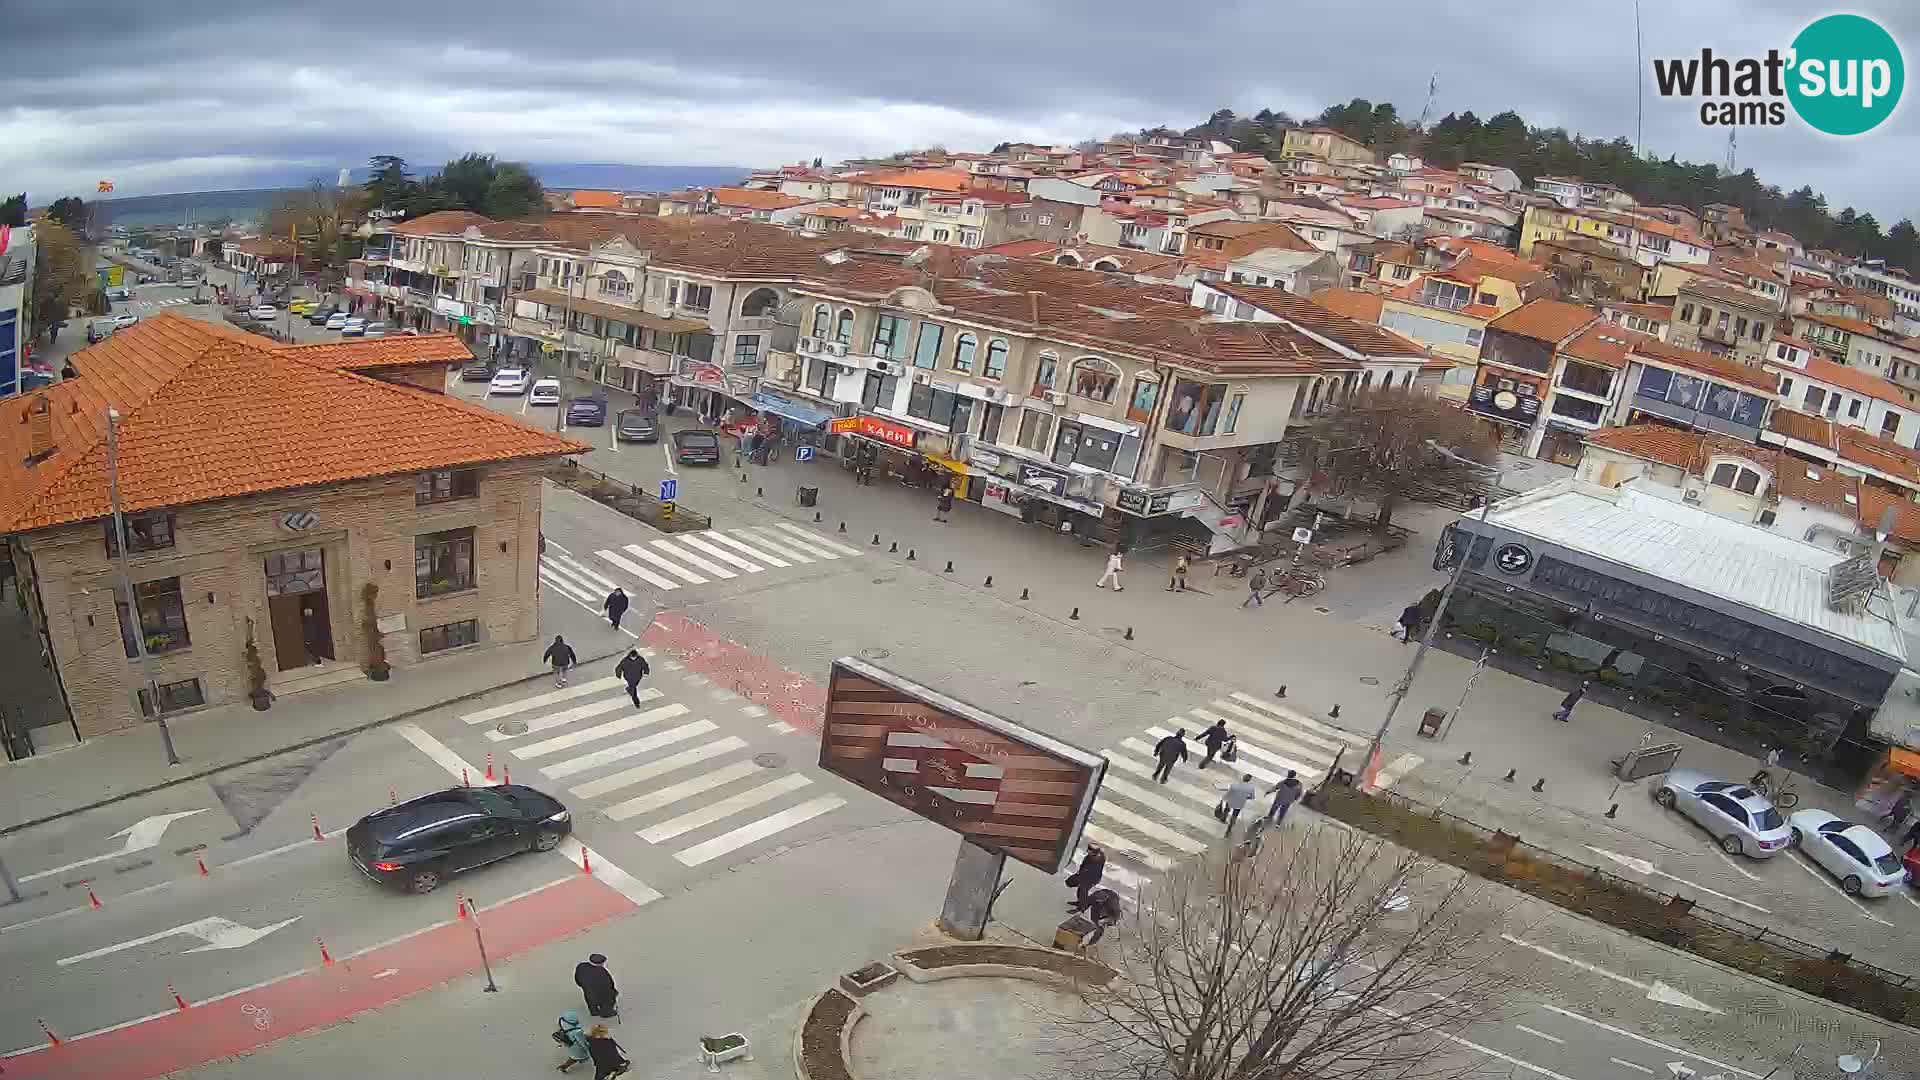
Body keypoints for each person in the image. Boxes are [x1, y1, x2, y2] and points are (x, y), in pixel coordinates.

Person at [574, 953, 618, 1019]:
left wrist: (583, 986)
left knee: (590, 1000)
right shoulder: (603, 973)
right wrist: (614, 993)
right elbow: (609, 986)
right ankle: (606, 1012)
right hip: (602, 994)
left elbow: (577, 978)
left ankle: (593, 1011)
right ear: (601, 963)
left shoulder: (581, 966)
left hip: (588, 991)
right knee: (607, 1000)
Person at [1065, 843, 1105, 911]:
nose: (1087, 850)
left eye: (1089, 850)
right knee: (1080, 891)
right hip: (1086, 877)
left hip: (1090, 879)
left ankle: (1081, 907)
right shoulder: (1093, 856)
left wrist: (1079, 878)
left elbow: (1089, 872)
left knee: (1082, 893)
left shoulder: (1096, 860)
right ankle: (1079, 903)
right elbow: (1084, 867)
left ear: (1093, 852)